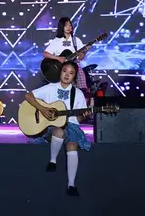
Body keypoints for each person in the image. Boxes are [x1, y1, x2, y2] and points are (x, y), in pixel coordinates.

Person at [24, 61, 91, 197]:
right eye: (65, 71)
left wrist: (84, 116)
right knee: (58, 131)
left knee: (72, 144)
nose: (67, 75)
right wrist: (43, 109)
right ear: (60, 72)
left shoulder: (77, 93)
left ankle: (71, 185)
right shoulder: (50, 88)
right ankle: (52, 160)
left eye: (71, 73)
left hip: (71, 125)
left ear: (74, 76)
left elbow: (77, 119)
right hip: (51, 126)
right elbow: (28, 96)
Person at [43, 17, 88, 92]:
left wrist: (84, 52)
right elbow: (45, 54)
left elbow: (80, 58)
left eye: (70, 25)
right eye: (66, 25)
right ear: (62, 27)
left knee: (81, 91)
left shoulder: (76, 40)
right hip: (62, 70)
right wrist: (58, 58)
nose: (68, 27)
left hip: (75, 68)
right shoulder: (57, 41)